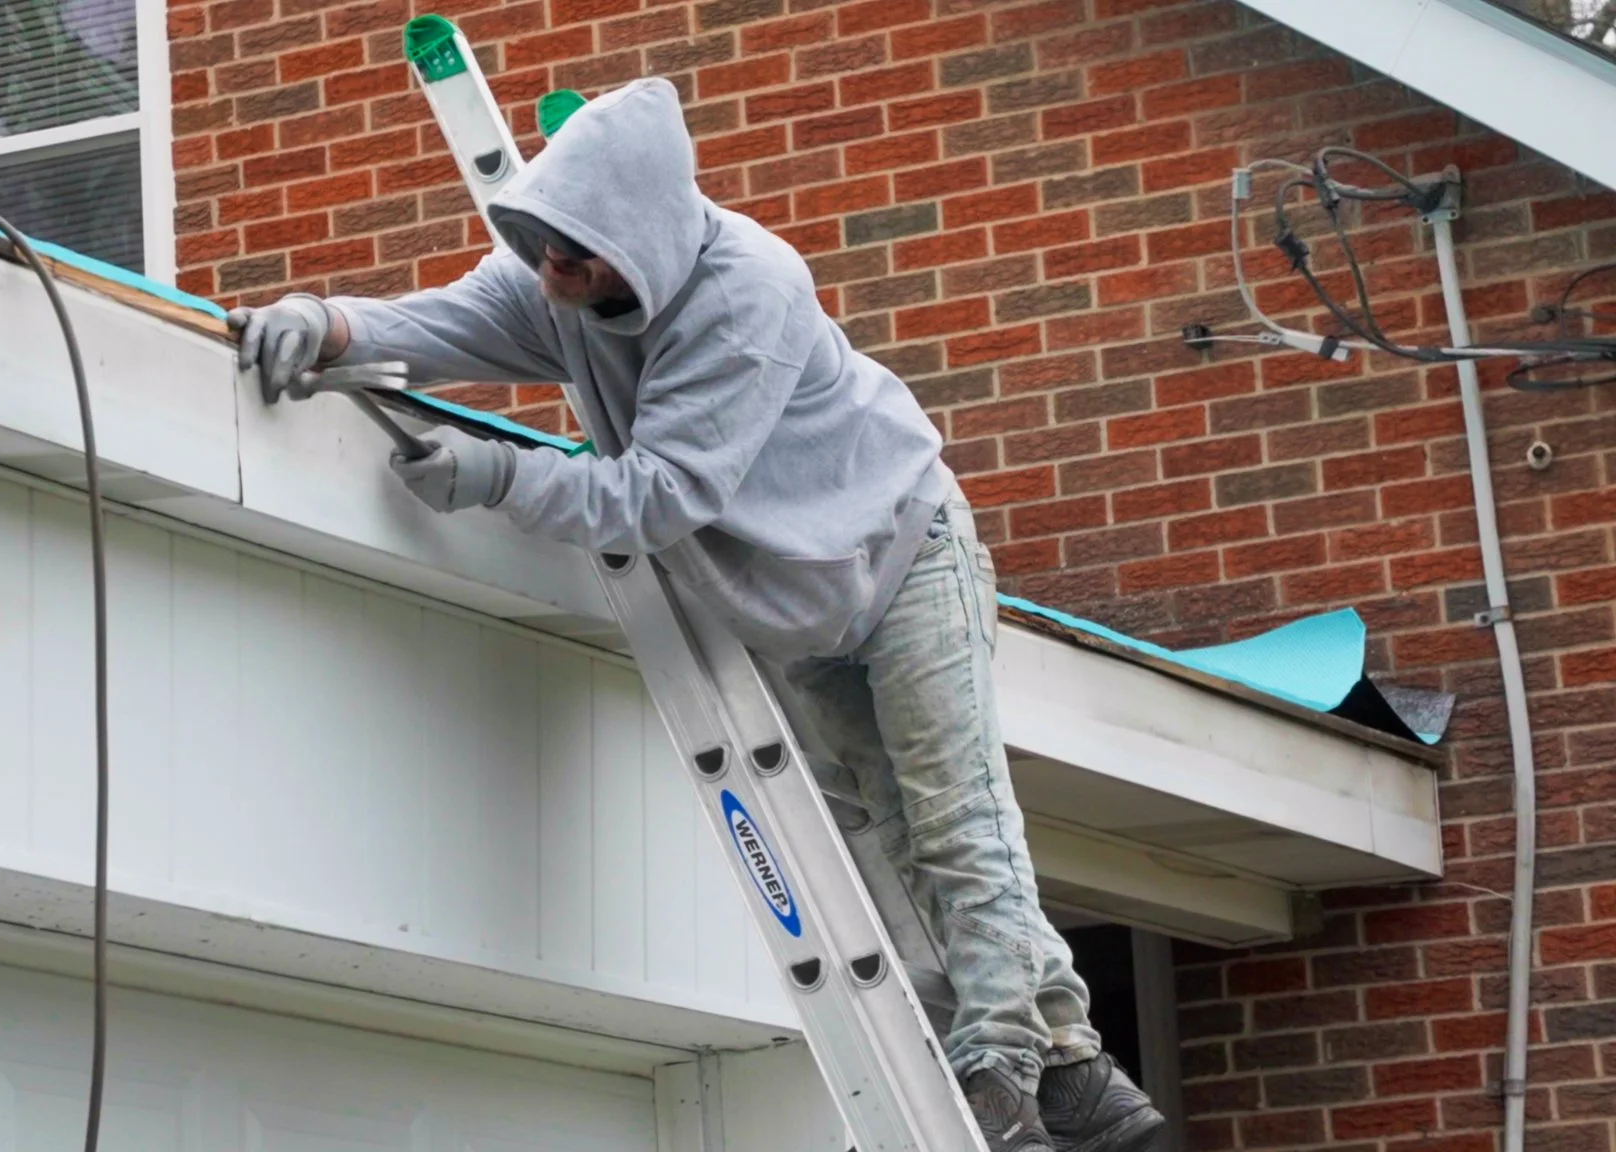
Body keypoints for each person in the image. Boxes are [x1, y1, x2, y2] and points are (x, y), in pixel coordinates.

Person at [228, 77, 1164, 1152]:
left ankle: (999, 1069)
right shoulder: (555, 281)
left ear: (643, 238)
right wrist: (320, 320)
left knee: (956, 816)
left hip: (898, 553)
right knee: (902, 833)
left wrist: (499, 476)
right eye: (542, 252)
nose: (551, 275)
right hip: (793, 603)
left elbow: (666, 492)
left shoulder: (746, 290)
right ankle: (1082, 1081)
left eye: (572, 256)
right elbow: (430, 323)